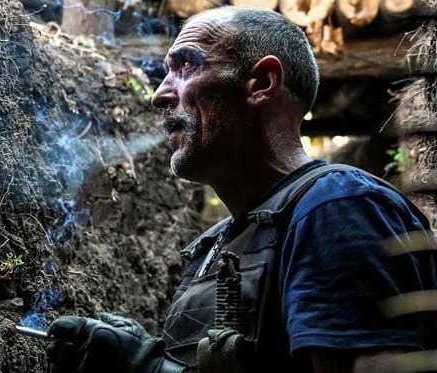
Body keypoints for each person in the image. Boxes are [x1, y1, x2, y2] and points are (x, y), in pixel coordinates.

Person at [45, 6, 437, 373]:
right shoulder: (218, 242)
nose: (159, 94)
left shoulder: (337, 206)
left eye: (186, 66)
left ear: (262, 83)